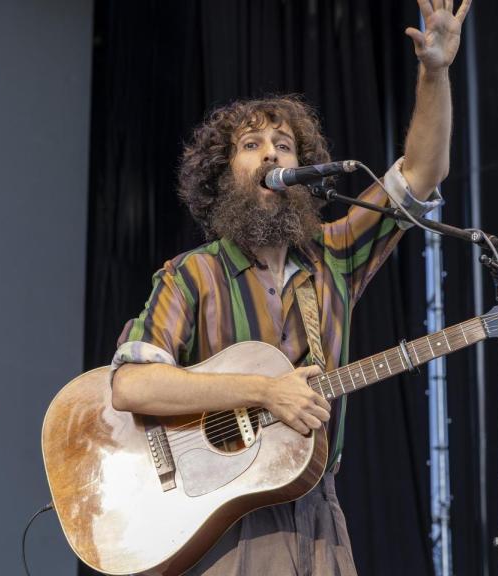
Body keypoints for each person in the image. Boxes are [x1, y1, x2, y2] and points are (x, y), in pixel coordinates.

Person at [109, 1, 472, 573]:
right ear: (223, 174)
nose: (271, 153)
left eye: (283, 145)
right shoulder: (191, 274)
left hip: (318, 510)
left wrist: (435, 71)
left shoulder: (333, 257)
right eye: (251, 145)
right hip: (220, 519)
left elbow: (419, 175)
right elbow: (131, 385)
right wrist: (264, 391)